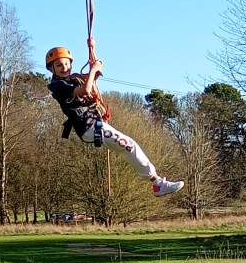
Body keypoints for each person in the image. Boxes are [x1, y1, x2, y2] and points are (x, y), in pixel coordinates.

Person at [45, 42, 184, 198]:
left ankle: (157, 182)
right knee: (129, 145)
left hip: (94, 123)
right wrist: (93, 70)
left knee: (128, 146)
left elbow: (95, 75)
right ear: (52, 69)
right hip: (88, 127)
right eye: (59, 65)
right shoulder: (58, 86)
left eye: (66, 63)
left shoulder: (73, 78)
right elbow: (86, 89)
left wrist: (93, 51)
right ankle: (157, 183)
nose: (64, 67)